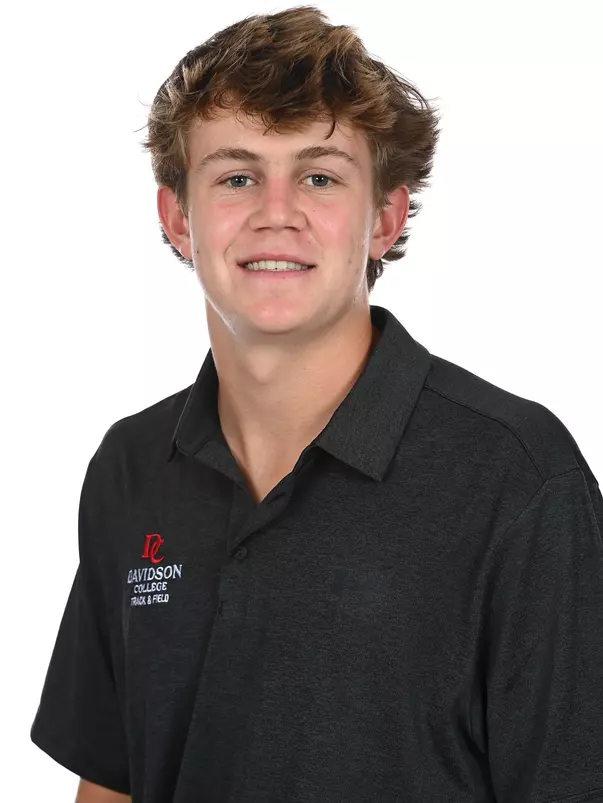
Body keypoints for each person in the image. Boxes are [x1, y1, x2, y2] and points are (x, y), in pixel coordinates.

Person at [30, 6, 603, 803]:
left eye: (319, 175)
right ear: (176, 218)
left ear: (384, 218)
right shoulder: (130, 465)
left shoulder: (517, 478)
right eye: (236, 176)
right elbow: (112, 779)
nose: (276, 211)